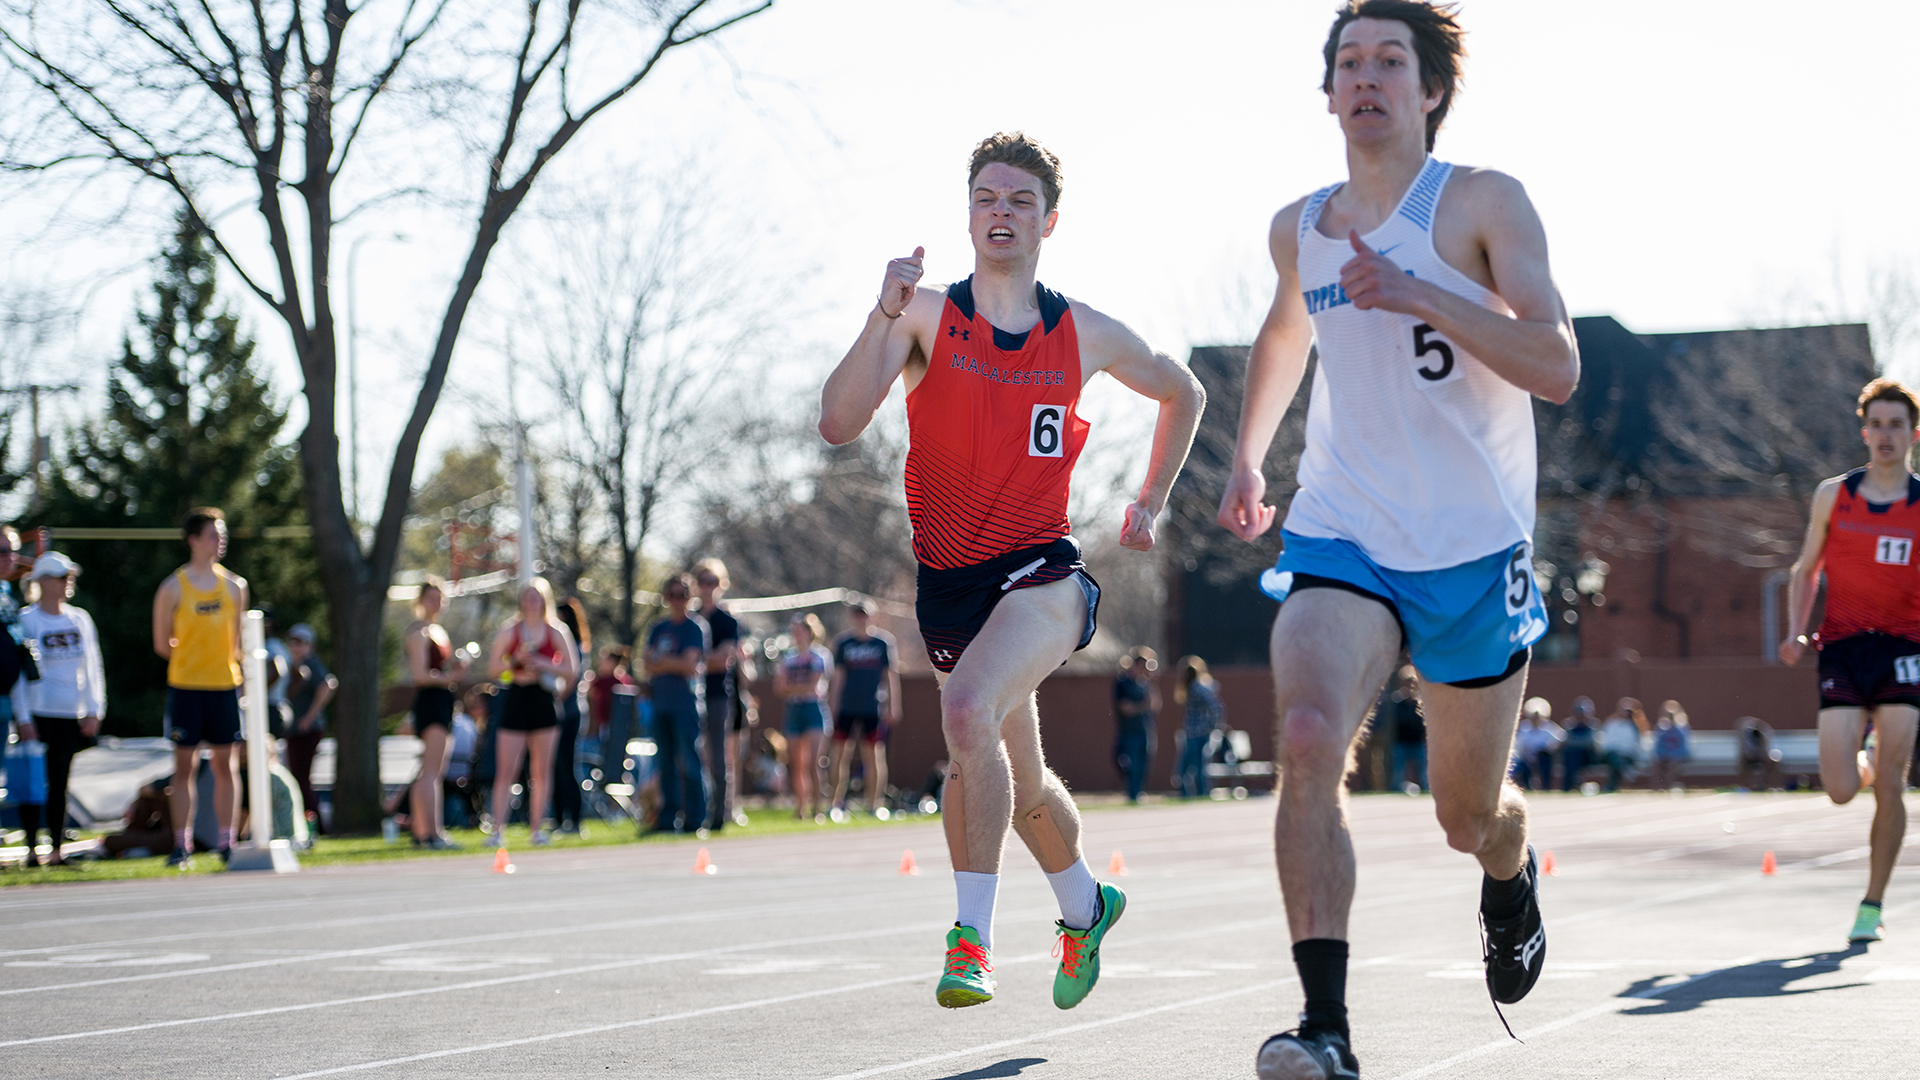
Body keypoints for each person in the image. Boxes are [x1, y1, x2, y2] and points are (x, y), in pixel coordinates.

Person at [1213, 4, 1579, 1072]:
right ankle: (1324, 1031)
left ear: (1429, 91)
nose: (1365, 77)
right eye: (1347, 63)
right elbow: (1289, 329)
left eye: (1390, 61)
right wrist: (1247, 455)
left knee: (1466, 818)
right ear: (1327, 93)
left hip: (1472, 550)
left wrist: (1419, 289)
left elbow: (1555, 365)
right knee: (1311, 734)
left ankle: (1509, 875)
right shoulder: (1301, 226)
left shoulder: (1481, 202)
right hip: (1343, 532)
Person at [818, 129, 1204, 1013]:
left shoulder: (1084, 332)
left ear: (1049, 222)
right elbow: (838, 423)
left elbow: (1184, 389)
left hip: (1042, 577)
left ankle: (970, 941)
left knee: (962, 712)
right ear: (968, 216)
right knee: (1021, 787)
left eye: (1020, 201)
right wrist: (879, 313)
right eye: (988, 198)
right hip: (952, 591)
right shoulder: (923, 316)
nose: (1002, 213)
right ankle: (1085, 905)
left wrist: (1151, 500)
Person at [1779, 376, 1920, 944]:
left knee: (1893, 782)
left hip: (1905, 649)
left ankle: (1872, 902)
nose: (1886, 435)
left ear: (1913, 433)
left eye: (1897, 425)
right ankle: (1859, 757)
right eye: (1877, 425)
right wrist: (1794, 631)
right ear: (1865, 432)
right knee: (1841, 787)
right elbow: (1804, 569)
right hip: (1840, 645)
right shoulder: (1833, 495)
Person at [151, 507, 249, 867]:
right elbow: (162, 643)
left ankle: (227, 841)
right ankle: (182, 845)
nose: (219, 540)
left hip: (224, 686)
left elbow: (237, 642)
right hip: (187, 686)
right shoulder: (172, 587)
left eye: (221, 534)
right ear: (193, 540)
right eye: (212, 534)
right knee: (184, 767)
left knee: (226, 766)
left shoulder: (236, 586)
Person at [16, 552, 106, 866]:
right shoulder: (26, 620)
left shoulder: (79, 618)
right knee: (31, 782)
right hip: (38, 713)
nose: (66, 582)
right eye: (59, 576)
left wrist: (95, 709)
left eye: (68, 576)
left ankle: (55, 850)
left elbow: (93, 666)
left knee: (60, 782)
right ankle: (30, 850)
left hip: (70, 713)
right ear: (41, 581)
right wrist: (23, 717)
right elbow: (18, 675)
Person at [486, 578, 578, 847]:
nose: (532, 602)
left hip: (543, 699)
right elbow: (493, 670)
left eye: (537, 597)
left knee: (541, 771)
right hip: (516, 697)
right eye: (527, 597)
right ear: (521, 601)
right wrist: (514, 662)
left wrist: (544, 664)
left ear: (545, 600)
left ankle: (537, 829)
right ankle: (497, 831)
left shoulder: (556, 630)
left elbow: (572, 669)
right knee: (506, 769)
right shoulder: (510, 630)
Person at [404, 579, 467, 848]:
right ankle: (431, 833)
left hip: (443, 699)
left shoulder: (438, 630)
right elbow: (420, 676)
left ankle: (425, 831)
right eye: (431, 597)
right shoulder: (418, 632)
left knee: (433, 770)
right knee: (430, 772)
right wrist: (449, 677)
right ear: (420, 600)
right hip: (431, 700)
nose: (436, 603)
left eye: (440, 597)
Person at [643, 574, 708, 834]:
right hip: (661, 704)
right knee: (665, 764)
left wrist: (664, 661)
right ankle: (667, 819)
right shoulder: (658, 628)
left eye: (682, 594)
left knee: (690, 762)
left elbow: (689, 665)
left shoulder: (695, 627)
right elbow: (646, 663)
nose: (677, 600)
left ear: (690, 596)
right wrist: (672, 662)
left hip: (686, 705)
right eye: (672, 595)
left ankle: (696, 818)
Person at [827, 602, 902, 817]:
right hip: (847, 707)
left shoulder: (883, 643)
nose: (862, 619)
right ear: (853, 618)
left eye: (865, 615)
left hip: (872, 707)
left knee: (874, 756)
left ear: (872, 617)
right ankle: (835, 804)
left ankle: (874, 805)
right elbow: (838, 677)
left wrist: (893, 705)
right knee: (840, 755)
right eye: (858, 615)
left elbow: (890, 675)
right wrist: (833, 707)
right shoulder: (844, 643)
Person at [694, 560, 742, 832]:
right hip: (691, 697)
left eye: (713, 581)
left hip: (718, 695)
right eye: (703, 581)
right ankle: (695, 810)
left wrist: (691, 662)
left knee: (719, 757)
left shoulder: (728, 621)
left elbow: (724, 659)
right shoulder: (690, 618)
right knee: (694, 756)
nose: (707, 587)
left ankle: (719, 815)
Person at [777, 612, 833, 821]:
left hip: (814, 709)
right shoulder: (788, 657)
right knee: (796, 763)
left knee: (814, 763)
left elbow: (814, 685)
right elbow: (780, 688)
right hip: (794, 711)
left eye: (800, 630)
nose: (796, 634)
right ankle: (800, 808)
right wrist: (799, 689)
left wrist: (795, 688)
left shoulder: (820, 655)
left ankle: (818, 809)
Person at [280, 623, 335, 833]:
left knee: (301, 778)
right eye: (293, 642)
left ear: (310, 645)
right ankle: (305, 822)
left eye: (301, 642)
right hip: (294, 730)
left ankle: (316, 825)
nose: (296, 646)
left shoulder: (311, 663)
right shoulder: (292, 664)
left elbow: (328, 685)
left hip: (307, 730)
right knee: (298, 777)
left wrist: (309, 717)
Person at [553, 597, 591, 834]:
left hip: (570, 714)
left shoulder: (576, 647)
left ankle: (575, 820)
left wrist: (553, 699)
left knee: (568, 767)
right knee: (555, 768)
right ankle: (557, 819)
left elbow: (571, 680)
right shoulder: (557, 647)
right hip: (556, 714)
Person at [1174, 655, 1225, 799]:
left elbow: (1216, 707)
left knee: (1194, 768)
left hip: (1199, 734)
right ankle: (1192, 795)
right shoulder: (1193, 688)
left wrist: (1212, 726)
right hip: (1192, 733)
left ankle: (1202, 794)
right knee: (1190, 768)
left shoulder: (1197, 687)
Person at [1112, 647, 1158, 803]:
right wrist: (1142, 706)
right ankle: (1132, 793)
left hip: (1144, 729)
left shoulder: (1145, 684)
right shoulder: (1123, 683)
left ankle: (1137, 794)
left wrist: (1151, 684)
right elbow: (1125, 708)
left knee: (1143, 765)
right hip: (1128, 731)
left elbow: (1155, 705)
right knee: (1126, 763)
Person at [103, 779, 175, 858]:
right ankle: (129, 837)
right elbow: (146, 789)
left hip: (174, 836)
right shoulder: (178, 778)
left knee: (111, 841)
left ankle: (128, 842)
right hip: (164, 830)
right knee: (147, 799)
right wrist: (135, 803)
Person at [1384, 667, 1426, 793]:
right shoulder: (1396, 701)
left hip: (1417, 741)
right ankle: (1395, 790)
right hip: (1401, 741)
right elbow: (1394, 721)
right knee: (1398, 771)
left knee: (1423, 772)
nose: (1409, 685)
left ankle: (1426, 789)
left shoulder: (1419, 702)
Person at [1511, 697, 1562, 792]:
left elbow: (1559, 739)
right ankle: (1526, 787)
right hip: (1527, 757)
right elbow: (1519, 743)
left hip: (1543, 757)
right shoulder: (1524, 728)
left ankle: (1546, 787)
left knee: (1545, 762)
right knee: (1522, 766)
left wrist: (1546, 748)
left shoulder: (1548, 728)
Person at [1599, 697, 1646, 792]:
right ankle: (1626, 771)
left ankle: (1611, 787)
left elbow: (1635, 745)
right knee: (1615, 758)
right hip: (1611, 755)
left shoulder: (1635, 727)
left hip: (1627, 756)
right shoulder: (1611, 724)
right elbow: (1607, 742)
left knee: (1617, 761)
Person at [1648, 700, 1691, 791]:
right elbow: (1659, 745)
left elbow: (1682, 746)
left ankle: (1668, 786)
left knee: (1672, 765)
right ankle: (1657, 787)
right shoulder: (1661, 728)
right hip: (1664, 756)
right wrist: (1663, 755)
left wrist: (1674, 755)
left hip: (1677, 756)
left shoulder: (1682, 729)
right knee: (1655, 765)